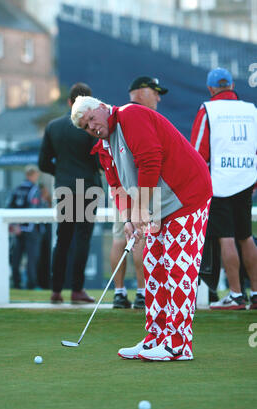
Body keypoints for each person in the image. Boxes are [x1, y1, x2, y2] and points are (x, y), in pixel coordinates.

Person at [71, 96, 212, 362]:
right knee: (154, 267)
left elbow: (150, 161)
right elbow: (118, 188)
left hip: (186, 196)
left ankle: (179, 345)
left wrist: (140, 210)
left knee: (178, 269)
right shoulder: (104, 148)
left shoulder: (131, 115)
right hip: (159, 205)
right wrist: (128, 219)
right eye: (86, 127)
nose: (92, 127)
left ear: (101, 107)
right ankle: (156, 337)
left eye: (91, 119)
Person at [191, 67, 257, 311]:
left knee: (226, 238)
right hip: (246, 180)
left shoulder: (208, 109)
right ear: (231, 85)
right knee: (246, 237)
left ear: (211, 88)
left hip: (218, 184)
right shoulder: (251, 110)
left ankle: (236, 295)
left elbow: (198, 152)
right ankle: (256, 293)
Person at [108, 76, 169, 309]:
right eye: (155, 92)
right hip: (138, 183)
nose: (158, 97)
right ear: (142, 92)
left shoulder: (119, 118)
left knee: (121, 236)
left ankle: (119, 293)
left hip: (120, 184)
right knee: (139, 236)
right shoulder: (138, 117)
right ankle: (143, 293)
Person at [38, 82, 102, 304]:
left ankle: (56, 291)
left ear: (69, 102)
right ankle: (77, 289)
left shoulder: (53, 127)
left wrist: (62, 172)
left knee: (62, 239)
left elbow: (43, 163)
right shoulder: (91, 127)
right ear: (90, 102)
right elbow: (99, 160)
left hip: (65, 187)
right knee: (83, 238)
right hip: (88, 187)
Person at [7, 165, 43, 290]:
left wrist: (14, 225)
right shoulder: (34, 189)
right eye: (36, 175)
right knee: (31, 259)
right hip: (30, 229)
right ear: (32, 175)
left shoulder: (17, 189)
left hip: (17, 229)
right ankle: (31, 284)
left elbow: (9, 207)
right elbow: (34, 211)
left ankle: (16, 283)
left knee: (16, 257)